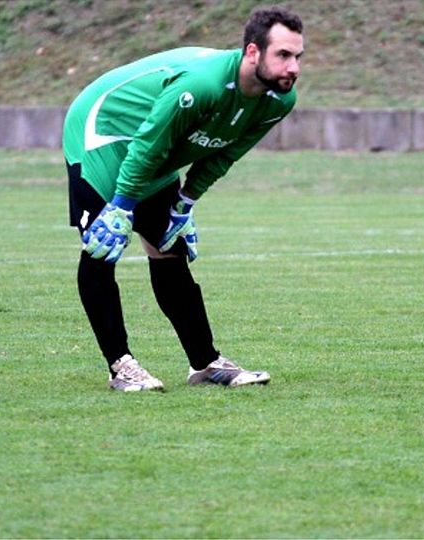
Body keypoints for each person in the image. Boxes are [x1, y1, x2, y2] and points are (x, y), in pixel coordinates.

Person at [62, 7, 304, 391]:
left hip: (152, 145)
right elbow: (147, 147)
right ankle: (120, 366)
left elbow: (224, 153)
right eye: (283, 56)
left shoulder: (277, 101)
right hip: (104, 131)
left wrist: (185, 203)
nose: (293, 67)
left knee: (168, 248)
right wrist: (122, 205)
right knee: (102, 245)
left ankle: (205, 364)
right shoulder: (201, 85)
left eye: (297, 57)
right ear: (253, 53)